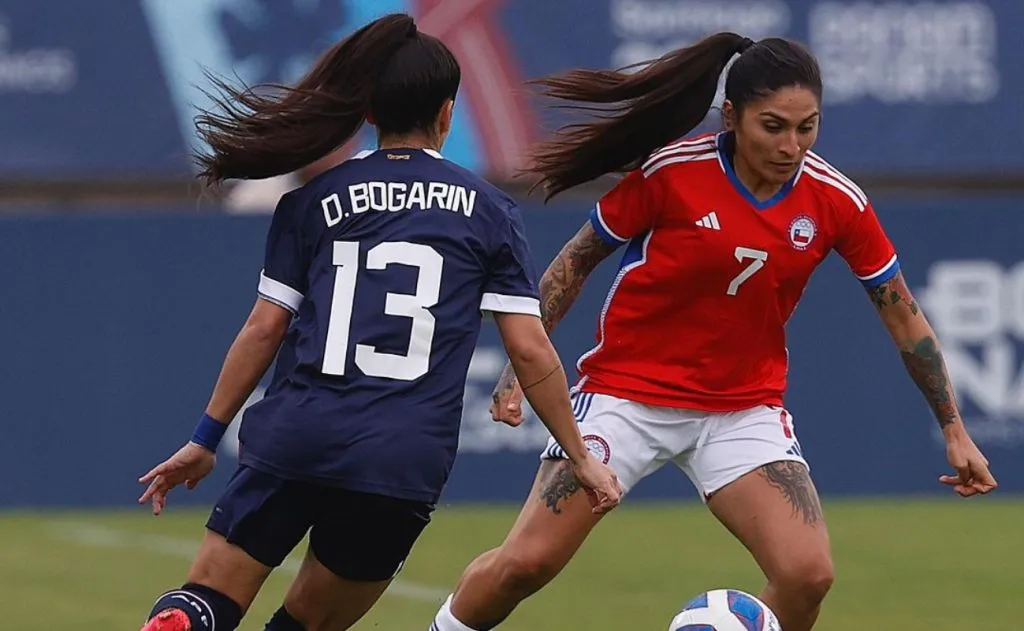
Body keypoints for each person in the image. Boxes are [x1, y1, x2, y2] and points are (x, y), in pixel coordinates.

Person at [427, 32, 998, 631]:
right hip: (626, 396)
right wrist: (521, 365)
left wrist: (954, 429)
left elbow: (903, 314)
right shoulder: (673, 173)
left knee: (807, 576)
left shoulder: (836, 201)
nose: (791, 146)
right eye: (773, 126)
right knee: (526, 564)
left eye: (807, 127)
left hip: (741, 409)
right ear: (731, 116)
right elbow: (575, 261)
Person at [135, 13, 621, 631]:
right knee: (308, 623)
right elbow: (528, 349)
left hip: (298, 434)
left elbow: (263, 328)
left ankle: (185, 620)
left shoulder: (311, 201)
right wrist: (578, 455)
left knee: (207, 599)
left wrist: (205, 438)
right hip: (398, 461)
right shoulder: (490, 213)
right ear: (447, 112)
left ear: (368, 111)